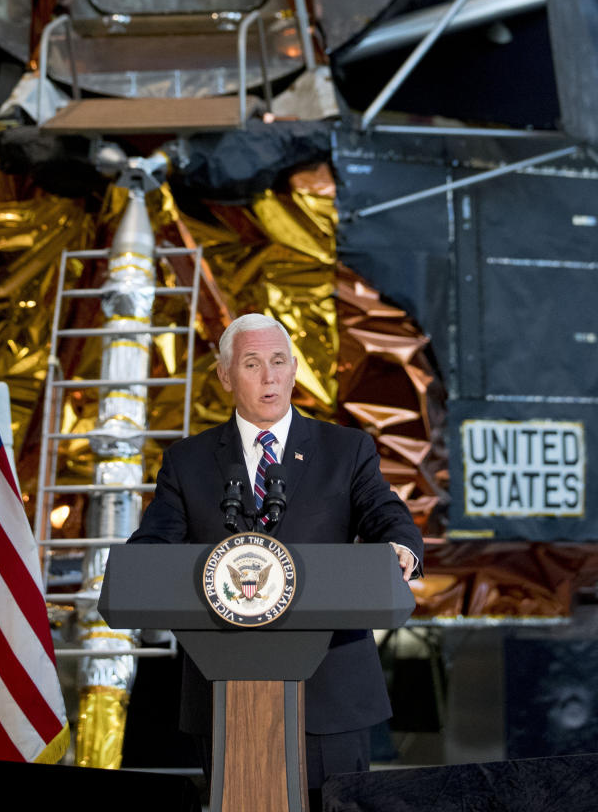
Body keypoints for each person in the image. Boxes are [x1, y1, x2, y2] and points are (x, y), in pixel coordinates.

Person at [128, 312, 425, 798]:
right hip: (223, 692)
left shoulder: (346, 449)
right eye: (251, 363)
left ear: (292, 370)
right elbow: (154, 546)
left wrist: (401, 549)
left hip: (331, 691)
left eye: (279, 361)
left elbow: (385, 515)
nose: (269, 376)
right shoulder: (187, 461)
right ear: (225, 376)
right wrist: (140, 570)